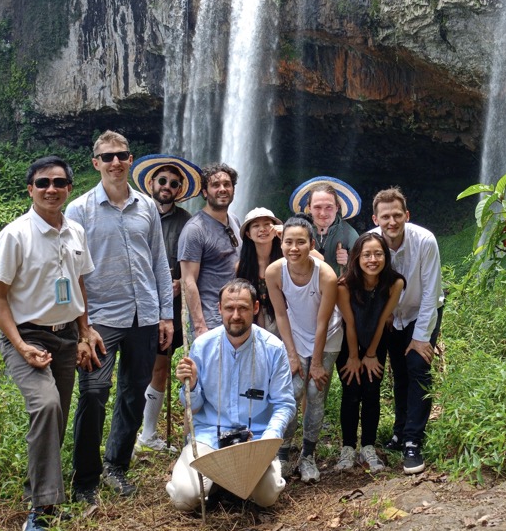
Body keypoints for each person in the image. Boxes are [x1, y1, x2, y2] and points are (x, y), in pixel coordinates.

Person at [0, 155, 102, 531]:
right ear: (30, 189)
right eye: (42, 183)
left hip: (66, 334)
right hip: (27, 335)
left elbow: (79, 283)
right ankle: (43, 509)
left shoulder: (75, 232)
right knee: (46, 404)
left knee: (57, 415)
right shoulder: (15, 235)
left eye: (58, 182)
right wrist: (20, 346)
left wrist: (85, 332)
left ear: (70, 187)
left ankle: (37, 488)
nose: (50, 189)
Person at [66, 131, 174, 503]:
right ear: (96, 162)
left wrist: (166, 315)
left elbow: (159, 261)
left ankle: (116, 466)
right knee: (94, 393)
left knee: (134, 394)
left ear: (131, 160)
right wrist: (81, 327)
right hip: (99, 319)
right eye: (107, 157)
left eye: (122, 156)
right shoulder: (79, 210)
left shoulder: (146, 207)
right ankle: (85, 480)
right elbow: (70, 270)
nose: (115, 162)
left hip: (144, 315)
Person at [166, 279, 295, 511]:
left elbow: (284, 404)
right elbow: (191, 406)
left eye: (243, 308)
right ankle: (217, 483)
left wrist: (268, 440)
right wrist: (192, 385)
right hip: (210, 439)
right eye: (229, 308)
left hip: (254, 440)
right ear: (219, 309)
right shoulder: (203, 346)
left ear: (255, 308)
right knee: (184, 498)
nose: (236, 315)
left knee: (267, 497)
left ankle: (228, 484)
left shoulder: (273, 348)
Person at [130, 154, 203, 452]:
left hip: (171, 306)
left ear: (180, 189)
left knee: (160, 367)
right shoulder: (135, 215)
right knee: (135, 370)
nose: (167, 186)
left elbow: (190, 262)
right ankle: (127, 435)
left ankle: (148, 434)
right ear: (151, 183)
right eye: (162, 181)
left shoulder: (187, 221)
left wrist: (179, 282)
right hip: (136, 304)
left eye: (174, 183)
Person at [265, 215, 344, 483]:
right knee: (293, 391)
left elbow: (323, 321)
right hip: (295, 335)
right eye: (289, 242)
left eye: (301, 242)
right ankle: (283, 455)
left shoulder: (326, 274)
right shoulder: (274, 272)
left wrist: (318, 362)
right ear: (281, 243)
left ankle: (308, 456)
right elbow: (281, 314)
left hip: (327, 336)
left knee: (315, 390)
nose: (294, 248)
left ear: (312, 244)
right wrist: (291, 354)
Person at [370, 187, 444, 474]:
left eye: (397, 215)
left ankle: (414, 440)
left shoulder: (424, 241)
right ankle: (400, 430)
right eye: (385, 216)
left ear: (407, 215)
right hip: (390, 317)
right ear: (376, 218)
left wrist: (421, 337)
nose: (392, 222)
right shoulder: (372, 242)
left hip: (421, 311)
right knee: (399, 372)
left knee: (418, 366)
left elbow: (430, 292)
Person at [334, 233, 405, 473]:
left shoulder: (395, 283)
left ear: (385, 256)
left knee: (372, 391)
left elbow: (384, 318)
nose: (372, 259)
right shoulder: (344, 285)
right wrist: (354, 357)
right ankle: (347, 448)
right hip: (349, 344)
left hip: (377, 341)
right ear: (357, 257)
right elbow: (350, 323)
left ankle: (368, 446)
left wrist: (371, 354)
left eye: (378, 254)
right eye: (366, 254)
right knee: (351, 391)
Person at [178, 163, 242, 339]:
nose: (222, 189)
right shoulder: (195, 229)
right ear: (205, 192)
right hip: (211, 321)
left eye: (227, 184)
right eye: (215, 185)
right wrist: (199, 327)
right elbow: (188, 280)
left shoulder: (234, 220)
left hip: (237, 317)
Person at [289, 177, 360, 276]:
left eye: (329, 207)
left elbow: (362, 269)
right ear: (309, 208)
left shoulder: (349, 234)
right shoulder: (297, 230)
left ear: (337, 207)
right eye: (317, 207)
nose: (323, 213)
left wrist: (348, 261)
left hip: (337, 287)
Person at [235, 207, 283, 336]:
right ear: (248, 234)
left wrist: (288, 236)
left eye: (267, 224)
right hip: (256, 324)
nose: (262, 229)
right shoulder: (242, 266)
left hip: (288, 321)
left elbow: (319, 259)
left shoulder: (287, 258)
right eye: (256, 226)